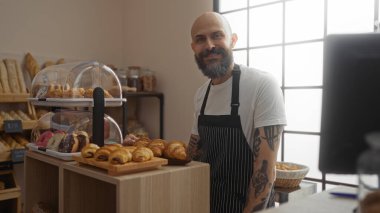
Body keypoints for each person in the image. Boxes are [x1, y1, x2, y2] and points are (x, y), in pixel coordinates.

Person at [187, 12, 287, 213]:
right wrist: (149, 151)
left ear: (233, 40)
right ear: (193, 48)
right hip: (206, 206)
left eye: (217, 35)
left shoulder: (262, 85)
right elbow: (193, 154)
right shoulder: (201, 95)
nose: (209, 45)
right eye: (200, 39)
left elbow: (265, 172)